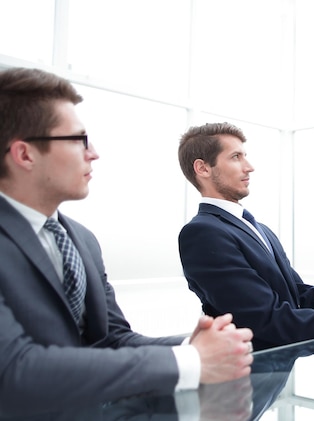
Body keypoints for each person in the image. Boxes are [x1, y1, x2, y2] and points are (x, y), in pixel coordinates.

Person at [0, 67, 254, 418]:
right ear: (25, 155)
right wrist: (189, 360)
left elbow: (112, 339)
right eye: (78, 140)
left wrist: (194, 345)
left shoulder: (82, 240)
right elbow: (14, 370)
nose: (94, 153)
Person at [177, 122, 314, 351]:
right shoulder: (202, 234)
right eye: (236, 157)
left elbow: (300, 295)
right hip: (245, 377)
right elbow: (267, 320)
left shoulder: (260, 228)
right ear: (203, 169)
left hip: (278, 372)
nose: (249, 167)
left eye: (245, 156)